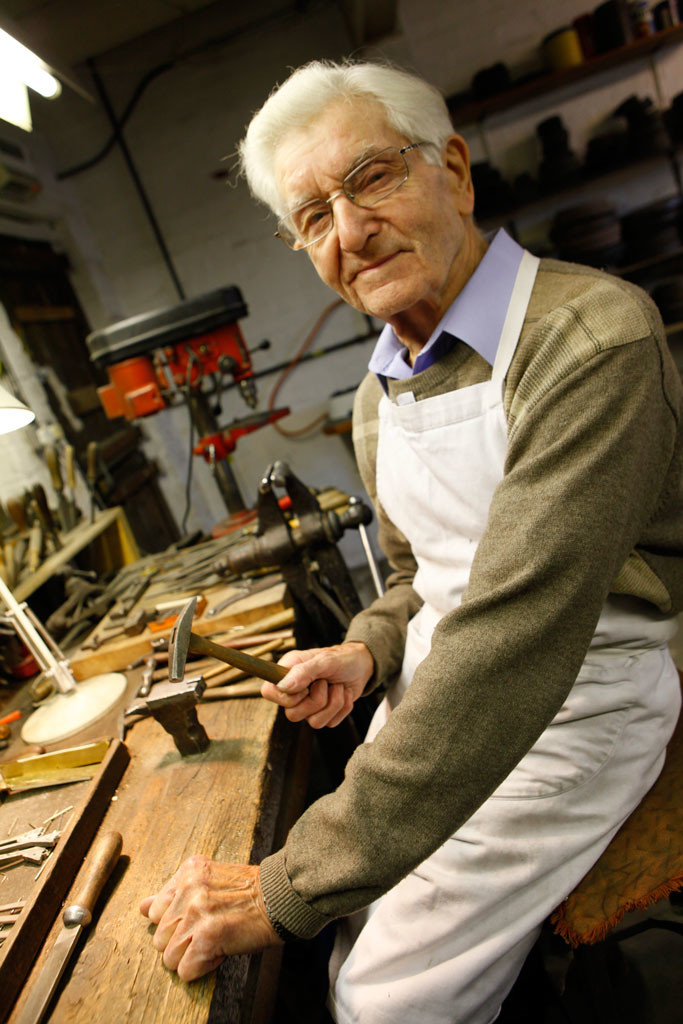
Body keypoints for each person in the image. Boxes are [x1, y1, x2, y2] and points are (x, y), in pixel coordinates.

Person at [140, 60, 683, 1023]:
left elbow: (515, 634)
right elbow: (416, 577)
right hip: (452, 697)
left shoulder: (587, 340)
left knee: (385, 1000)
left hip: (576, 701)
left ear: (456, 171)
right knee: (344, 939)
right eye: (313, 218)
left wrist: (286, 883)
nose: (349, 233)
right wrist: (370, 645)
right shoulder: (375, 397)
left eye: (371, 179)